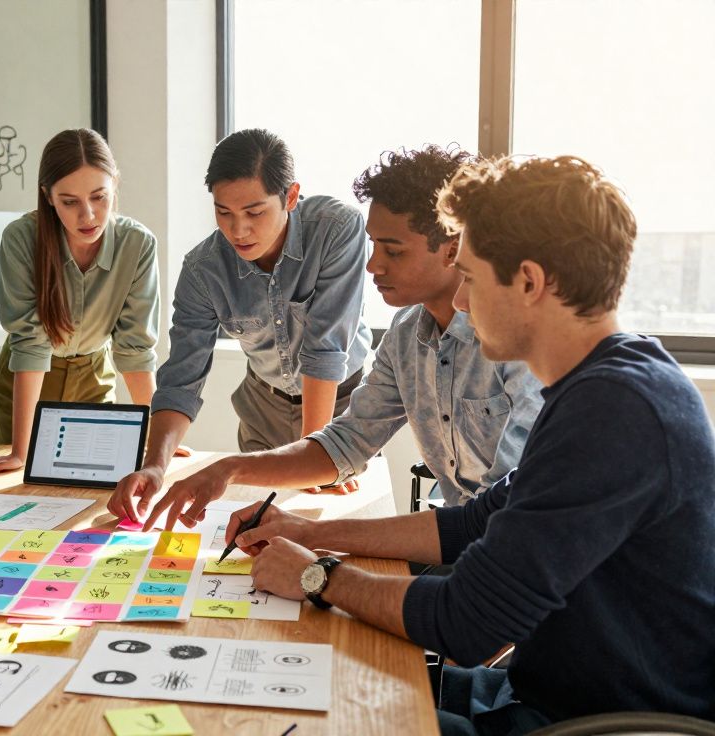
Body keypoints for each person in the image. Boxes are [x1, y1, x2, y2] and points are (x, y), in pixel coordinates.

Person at [228, 156, 715, 733]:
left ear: (529, 282)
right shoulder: (605, 384)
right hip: (538, 687)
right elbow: (470, 524)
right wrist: (312, 534)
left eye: (474, 279)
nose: (462, 302)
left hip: (597, 720)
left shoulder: (615, 413)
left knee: (315, 720)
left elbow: (468, 624)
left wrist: (317, 575)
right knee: (306, 679)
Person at [117, 145, 543, 529]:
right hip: (464, 549)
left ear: (453, 249)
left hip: (502, 559)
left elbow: (499, 515)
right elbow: (347, 442)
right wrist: (226, 469)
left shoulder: (516, 344)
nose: (373, 265)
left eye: (392, 251)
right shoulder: (405, 336)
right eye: (374, 245)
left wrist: (318, 533)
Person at [113, 128, 373, 518]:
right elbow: (182, 379)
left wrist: (314, 457)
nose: (238, 230)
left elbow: (325, 351)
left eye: (254, 212)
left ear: (290, 196)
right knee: (254, 536)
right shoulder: (204, 270)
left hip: (339, 404)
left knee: (335, 534)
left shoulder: (337, 230)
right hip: (263, 407)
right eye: (224, 212)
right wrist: (155, 464)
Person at [0, 129, 160, 476]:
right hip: (26, 382)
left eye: (100, 197)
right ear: (48, 197)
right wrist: (20, 453)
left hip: (94, 379)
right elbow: (31, 344)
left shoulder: (138, 244)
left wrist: (159, 443)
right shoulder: (22, 239)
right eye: (70, 202)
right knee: (22, 490)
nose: (89, 216)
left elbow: (135, 349)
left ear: (115, 185)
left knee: (92, 491)